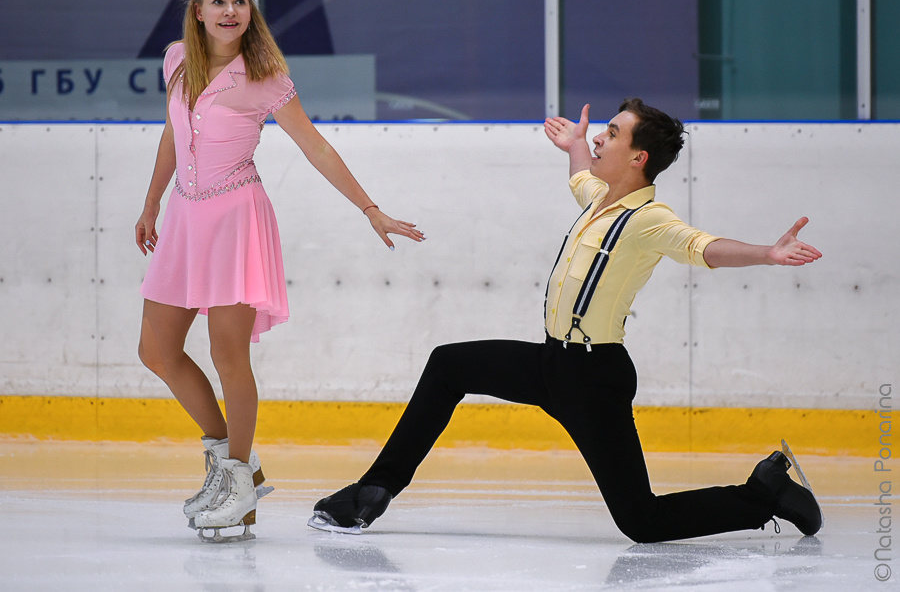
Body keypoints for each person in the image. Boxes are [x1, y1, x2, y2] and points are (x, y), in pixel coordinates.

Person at [308, 98, 824, 542]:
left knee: (642, 521)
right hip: (550, 362)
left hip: (594, 379)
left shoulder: (650, 220)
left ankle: (763, 494)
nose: (600, 137)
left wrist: (766, 253)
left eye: (612, 133)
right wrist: (575, 143)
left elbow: (702, 247)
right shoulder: (600, 196)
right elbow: (580, 173)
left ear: (638, 158)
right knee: (449, 365)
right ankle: (372, 491)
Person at [134, 0, 424, 542]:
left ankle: (238, 484)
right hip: (187, 219)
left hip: (238, 221)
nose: (230, 11)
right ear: (199, 12)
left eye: (240, 2)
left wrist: (370, 209)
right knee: (157, 349)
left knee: (228, 354)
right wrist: (151, 204)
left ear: (250, 12)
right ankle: (231, 457)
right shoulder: (175, 61)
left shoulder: (264, 78)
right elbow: (172, 135)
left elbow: (314, 145)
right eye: (218, 2)